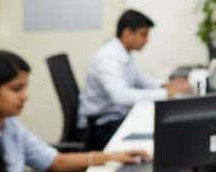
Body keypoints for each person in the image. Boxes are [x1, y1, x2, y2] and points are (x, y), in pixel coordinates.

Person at [0, 50, 149, 172]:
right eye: (16, 89)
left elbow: (55, 161)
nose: (25, 96)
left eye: (25, 88)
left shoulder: (6, 125)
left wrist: (111, 157)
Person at [78, 9, 191, 150]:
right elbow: (121, 97)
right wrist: (167, 93)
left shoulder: (123, 54)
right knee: (162, 136)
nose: (147, 40)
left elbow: (141, 81)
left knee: (165, 127)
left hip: (114, 119)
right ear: (127, 33)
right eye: (143, 35)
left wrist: (166, 85)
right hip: (100, 127)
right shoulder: (107, 58)